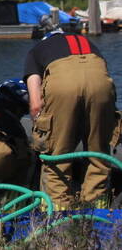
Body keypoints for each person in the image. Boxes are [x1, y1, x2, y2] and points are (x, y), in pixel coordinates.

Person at [24, 30, 119, 210]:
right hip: (101, 83)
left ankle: (58, 218)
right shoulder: (89, 44)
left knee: (57, 156)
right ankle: (97, 212)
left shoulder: (36, 51)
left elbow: (35, 105)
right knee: (98, 154)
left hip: (62, 84)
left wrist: (43, 128)